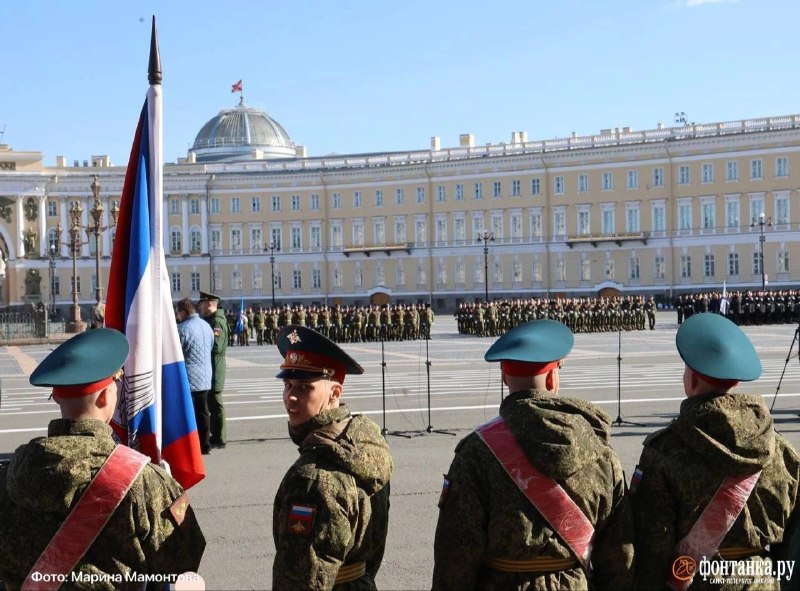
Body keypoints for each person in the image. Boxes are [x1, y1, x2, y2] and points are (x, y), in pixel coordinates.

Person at [432, 319, 634, 591]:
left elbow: (455, 558)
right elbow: (620, 559)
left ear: (504, 378)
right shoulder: (601, 453)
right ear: (552, 377)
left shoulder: (476, 454)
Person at [0, 328, 206, 588]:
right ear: (106, 396)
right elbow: (183, 565)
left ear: (57, 396)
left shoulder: (8, 477)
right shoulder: (144, 483)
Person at [633, 313, 800, 591]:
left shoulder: (664, 452)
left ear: (693, 378)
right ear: (736, 380)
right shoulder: (780, 450)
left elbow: (651, 548)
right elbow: (792, 543)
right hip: (762, 581)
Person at [272, 325, 393, 591]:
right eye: (288, 385)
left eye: (304, 388)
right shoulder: (363, 438)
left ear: (334, 394)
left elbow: (301, 578)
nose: (290, 397)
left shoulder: (311, 477)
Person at [177, 297, 215, 455]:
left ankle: (191, 445)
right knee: (203, 411)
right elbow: (211, 346)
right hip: (205, 375)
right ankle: (205, 443)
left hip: (189, 376)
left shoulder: (182, 329)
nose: (177, 316)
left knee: (188, 413)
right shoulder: (206, 325)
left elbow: (177, 353)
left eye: (178, 313)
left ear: (183, 312)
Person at [198, 290, 229, 449]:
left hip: (215, 365)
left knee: (216, 402)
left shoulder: (216, 322)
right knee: (212, 402)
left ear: (209, 304)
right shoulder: (212, 320)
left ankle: (220, 437)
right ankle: (217, 434)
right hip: (212, 364)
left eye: (202, 304)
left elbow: (216, 346)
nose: (200, 307)